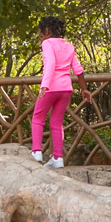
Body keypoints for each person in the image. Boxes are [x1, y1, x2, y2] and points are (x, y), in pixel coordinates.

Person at [31, 16, 93, 169]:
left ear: (46, 31)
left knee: (38, 117)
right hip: (66, 89)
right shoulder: (69, 46)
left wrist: (44, 85)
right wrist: (84, 88)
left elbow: (50, 63)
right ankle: (58, 158)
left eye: (40, 35)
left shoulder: (47, 43)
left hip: (51, 86)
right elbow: (78, 69)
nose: (40, 38)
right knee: (57, 122)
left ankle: (36, 151)